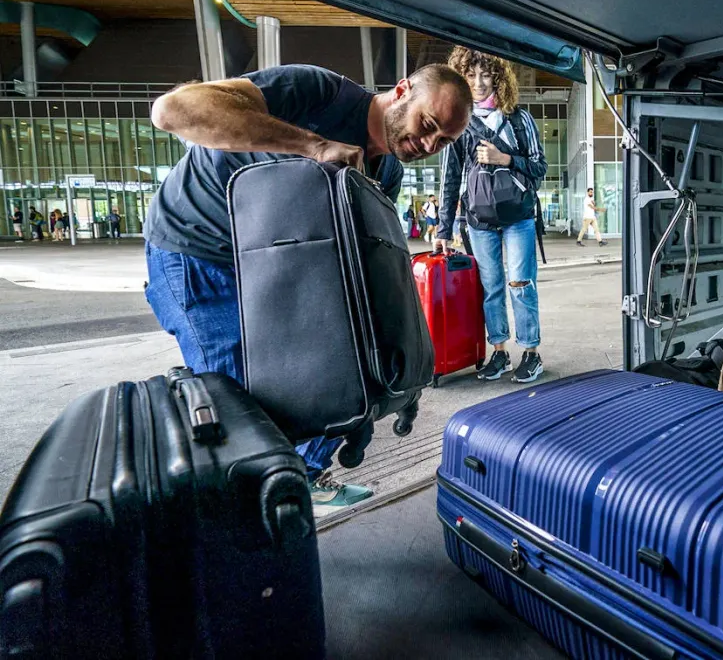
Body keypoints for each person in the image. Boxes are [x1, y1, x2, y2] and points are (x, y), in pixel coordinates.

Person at [142, 63, 471, 515]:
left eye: (445, 141)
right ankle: (245, 520)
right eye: (429, 125)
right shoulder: (318, 94)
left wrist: (383, 373)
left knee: (335, 378)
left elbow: (351, 266)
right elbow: (172, 111)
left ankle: (299, 482)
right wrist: (312, 146)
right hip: (199, 251)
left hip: (274, 266)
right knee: (239, 412)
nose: (430, 144)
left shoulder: (387, 173)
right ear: (401, 92)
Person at [437, 47, 546, 384]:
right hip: (478, 220)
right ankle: (499, 352)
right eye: (470, 76)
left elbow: (540, 168)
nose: (479, 83)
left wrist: (506, 159)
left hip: (519, 217)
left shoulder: (519, 119)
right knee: (492, 287)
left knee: (520, 284)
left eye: (486, 75)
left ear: (499, 77)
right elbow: (451, 178)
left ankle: (531, 353)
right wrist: (443, 227)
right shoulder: (459, 123)